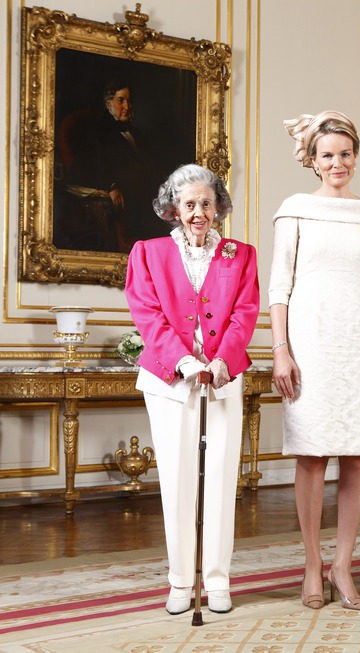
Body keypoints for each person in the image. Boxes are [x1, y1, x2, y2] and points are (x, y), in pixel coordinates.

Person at [268, 111, 360, 612]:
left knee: (357, 453)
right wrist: (281, 349)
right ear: (313, 160)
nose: (338, 162)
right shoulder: (295, 209)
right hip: (309, 339)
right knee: (312, 453)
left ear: (355, 156)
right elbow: (279, 286)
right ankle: (310, 565)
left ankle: (343, 564)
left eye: (346, 153)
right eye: (328, 155)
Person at [125, 163, 259, 615]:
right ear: (173, 209)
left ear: (218, 207)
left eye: (206, 202)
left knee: (221, 478)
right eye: (189, 204)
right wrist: (182, 360)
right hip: (168, 380)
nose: (198, 212)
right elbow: (147, 313)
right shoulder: (148, 253)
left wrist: (224, 358)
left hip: (223, 377)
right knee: (178, 481)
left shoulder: (240, 255)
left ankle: (218, 581)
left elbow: (245, 312)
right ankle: (181, 581)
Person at [61, 79, 165, 252]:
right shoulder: (97, 133)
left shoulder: (136, 133)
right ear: (108, 104)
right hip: (128, 195)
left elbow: (149, 164)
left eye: (129, 101)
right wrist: (110, 185)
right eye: (120, 100)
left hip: (146, 191)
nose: (127, 106)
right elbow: (88, 166)